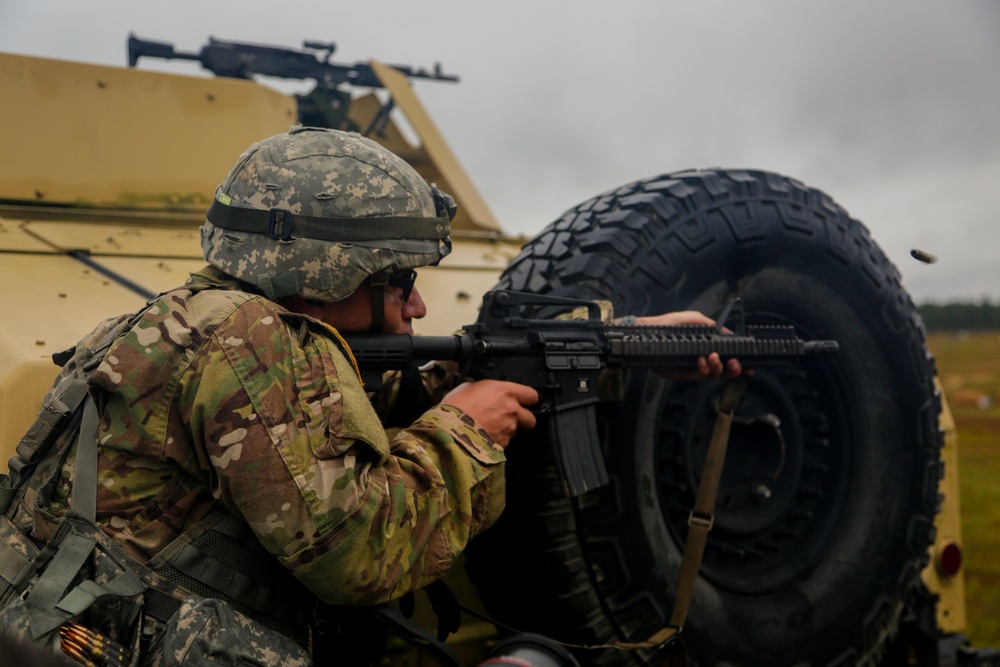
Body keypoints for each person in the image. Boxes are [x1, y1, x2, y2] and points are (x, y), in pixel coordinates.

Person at [1, 126, 740, 665]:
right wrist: (465, 430)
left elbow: (340, 420)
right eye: (401, 283)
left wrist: (628, 343)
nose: (417, 309)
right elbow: (360, 552)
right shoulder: (250, 343)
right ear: (329, 276)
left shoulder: (192, 321)